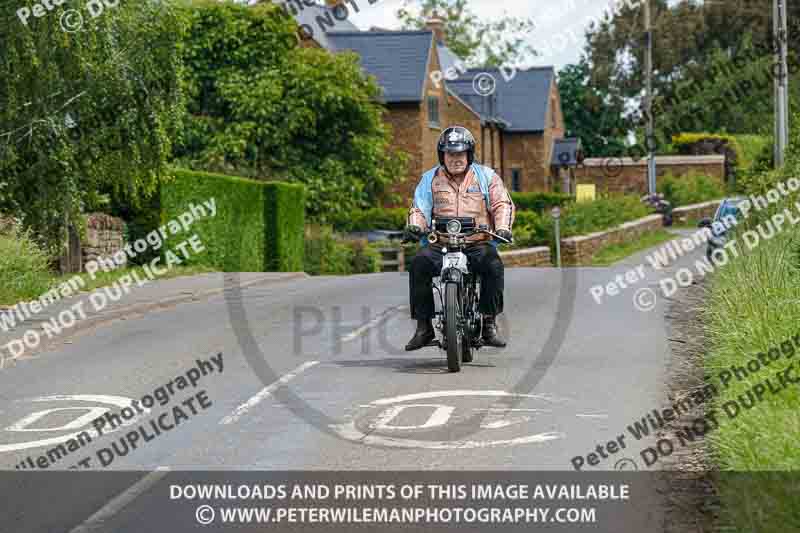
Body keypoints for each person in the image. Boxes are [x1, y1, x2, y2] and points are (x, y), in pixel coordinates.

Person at [404, 126, 515, 351]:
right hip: (441, 243)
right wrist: (416, 226)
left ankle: (488, 323)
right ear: (442, 156)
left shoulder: (487, 177)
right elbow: (420, 208)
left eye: (460, 153)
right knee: (418, 264)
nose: (455, 158)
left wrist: (502, 228)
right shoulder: (430, 179)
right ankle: (423, 327)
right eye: (450, 154)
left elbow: (502, 203)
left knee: (493, 265)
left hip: (477, 242)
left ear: (469, 155)